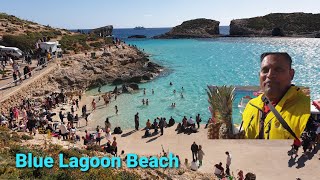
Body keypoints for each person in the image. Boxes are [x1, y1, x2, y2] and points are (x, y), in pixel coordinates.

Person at [242, 52, 310, 139]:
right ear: (259, 75)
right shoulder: (251, 106)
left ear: (291, 74)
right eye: (265, 70)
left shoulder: (305, 109)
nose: (270, 75)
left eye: (278, 69)